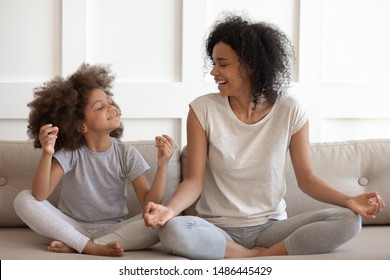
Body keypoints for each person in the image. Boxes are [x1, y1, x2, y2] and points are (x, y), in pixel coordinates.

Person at [143, 14, 385, 259]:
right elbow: (194, 181)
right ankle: (252, 255)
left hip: (272, 227)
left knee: (348, 219)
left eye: (222, 64)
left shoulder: (291, 110)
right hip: (217, 228)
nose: (214, 72)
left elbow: (308, 179)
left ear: (251, 65)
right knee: (172, 229)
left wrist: (349, 200)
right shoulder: (202, 110)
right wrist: (169, 211)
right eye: (213, 63)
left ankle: (261, 253)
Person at [14, 63, 174, 257]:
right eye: (100, 107)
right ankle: (90, 247)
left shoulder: (126, 153)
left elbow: (150, 204)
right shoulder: (71, 152)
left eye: (109, 102)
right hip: (70, 226)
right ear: (81, 125)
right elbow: (39, 195)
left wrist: (162, 165)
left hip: (113, 229)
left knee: (163, 219)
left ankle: (78, 245)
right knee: (23, 199)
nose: (111, 107)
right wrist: (47, 153)